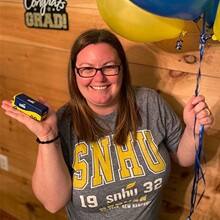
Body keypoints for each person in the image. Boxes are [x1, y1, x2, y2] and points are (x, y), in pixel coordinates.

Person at [1, 29, 214, 220]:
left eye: (109, 67)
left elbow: (184, 158)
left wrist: (193, 131)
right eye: (87, 69)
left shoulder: (149, 102)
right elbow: (53, 202)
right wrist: (48, 136)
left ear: (121, 70)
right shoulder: (64, 121)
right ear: (75, 75)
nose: (99, 77)